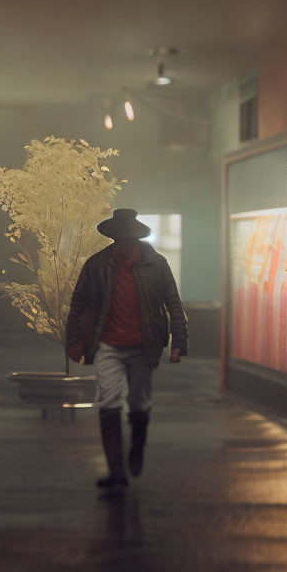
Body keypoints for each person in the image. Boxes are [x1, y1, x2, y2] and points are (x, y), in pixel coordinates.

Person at [65, 208, 187, 491]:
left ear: (136, 240)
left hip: (144, 345)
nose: (123, 245)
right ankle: (117, 473)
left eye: (128, 240)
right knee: (108, 402)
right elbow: (78, 305)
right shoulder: (96, 266)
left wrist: (179, 342)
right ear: (112, 239)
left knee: (139, 403)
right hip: (107, 344)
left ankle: (137, 448)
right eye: (119, 240)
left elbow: (173, 304)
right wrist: (74, 342)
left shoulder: (157, 264)